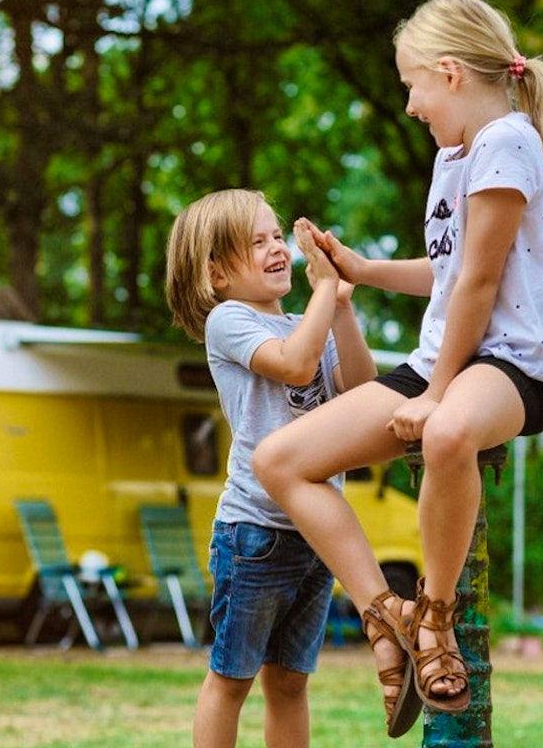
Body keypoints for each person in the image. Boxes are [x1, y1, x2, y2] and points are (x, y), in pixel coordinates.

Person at [253, 0, 543, 720]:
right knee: (280, 460)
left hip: (508, 365)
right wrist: (363, 270)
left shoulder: (508, 140)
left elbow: (481, 280)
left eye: (410, 85)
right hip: (444, 355)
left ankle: (435, 621)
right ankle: (387, 618)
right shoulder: (454, 156)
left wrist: (437, 391)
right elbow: (446, 274)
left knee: (446, 431)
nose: (410, 105)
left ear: (447, 72)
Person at [164, 189, 390, 748]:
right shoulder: (230, 321)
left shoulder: (303, 319)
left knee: (290, 683)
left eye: (276, 238)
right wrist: (325, 293)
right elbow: (295, 367)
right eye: (256, 242)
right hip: (254, 531)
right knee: (231, 679)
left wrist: (340, 306)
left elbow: (360, 389)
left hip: (314, 534)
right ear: (215, 274)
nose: (276, 250)